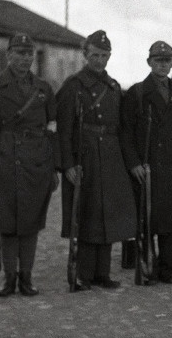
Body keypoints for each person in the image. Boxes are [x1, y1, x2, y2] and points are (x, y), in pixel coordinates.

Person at [0, 33, 60, 296]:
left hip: (36, 164)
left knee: (31, 221)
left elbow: (53, 129)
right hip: (2, 161)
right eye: (19, 53)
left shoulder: (44, 89)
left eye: (29, 54)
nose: (25, 59)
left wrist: (54, 167)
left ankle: (26, 278)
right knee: (6, 221)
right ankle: (9, 278)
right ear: (8, 55)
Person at [56, 30, 137, 290]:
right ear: (85, 55)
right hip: (85, 156)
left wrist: (128, 161)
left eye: (104, 56)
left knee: (108, 214)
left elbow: (122, 128)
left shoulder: (113, 87)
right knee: (87, 213)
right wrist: (67, 164)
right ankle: (84, 274)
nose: (99, 61)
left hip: (111, 156)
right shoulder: (73, 85)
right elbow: (64, 129)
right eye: (95, 55)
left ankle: (103, 273)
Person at [120, 40, 172, 284]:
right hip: (146, 166)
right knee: (145, 221)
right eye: (158, 60)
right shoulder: (137, 93)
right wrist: (134, 163)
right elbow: (125, 132)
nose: (163, 65)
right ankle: (146, 268)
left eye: (167, 61)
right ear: (149, 62)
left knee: (170, 222)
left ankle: (166, 271)